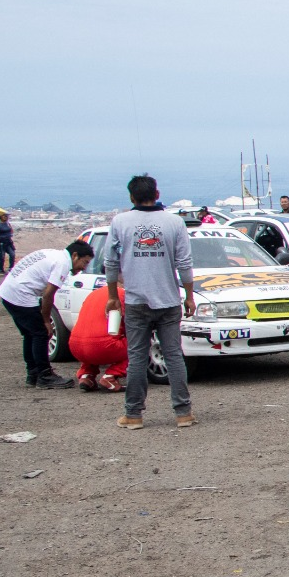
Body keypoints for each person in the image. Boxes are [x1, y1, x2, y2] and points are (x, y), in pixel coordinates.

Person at [104, 174, 196, 431]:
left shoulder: (120, 222)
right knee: (174, 356)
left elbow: (111, 263)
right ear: (157, 194)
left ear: (131, 197)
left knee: (136, 357)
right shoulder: (174, 222)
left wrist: (113, 296)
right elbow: (185, 264)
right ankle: (183, 412)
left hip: (135, 300)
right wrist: (189, 296)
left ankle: (133, 415)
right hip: (168, 300)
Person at [1, 239, 92, 388]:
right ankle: (44, 375)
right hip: (21, 294)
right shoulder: (63, 263)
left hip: (9, 291)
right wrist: (46, 321)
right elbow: (48, 295)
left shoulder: (53, 254)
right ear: (75, 255)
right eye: (85, 262)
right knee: (41, 333)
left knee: (30, 334)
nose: (83, 268)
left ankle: (33, 373)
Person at [69, 282, 127, 392]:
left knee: (90, 341)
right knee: (139, 344)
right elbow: (133, 326)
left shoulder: (93, 293)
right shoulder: (123, 294)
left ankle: (86, 375)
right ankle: (111, 376)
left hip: (75, 346)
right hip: (102, 347)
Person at [0, 208, 14, 273]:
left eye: (7, 216)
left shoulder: (8, 224)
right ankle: (0, 269)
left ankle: (11, 268)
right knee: (2, 256)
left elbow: (11, 231)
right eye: (5, 216)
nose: (6, 217)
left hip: (8, 242)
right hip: (1, 242)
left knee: (12, 254)